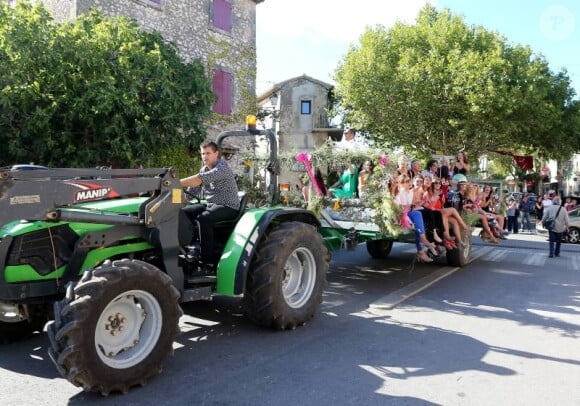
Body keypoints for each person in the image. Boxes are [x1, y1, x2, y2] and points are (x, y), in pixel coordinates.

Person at [181, 140, 240, 269]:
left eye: (208, 153)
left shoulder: (222, 168)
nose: (205, 156)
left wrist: (174, 183)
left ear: (216, 154)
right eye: (203, 153)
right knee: (184, 213)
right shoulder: (204, 169)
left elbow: (198, 180)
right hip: (212, 205)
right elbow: (192, 191)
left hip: (228, 206)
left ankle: (206, 261)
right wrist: (179, 202)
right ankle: (190, 247)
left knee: (204, 218)